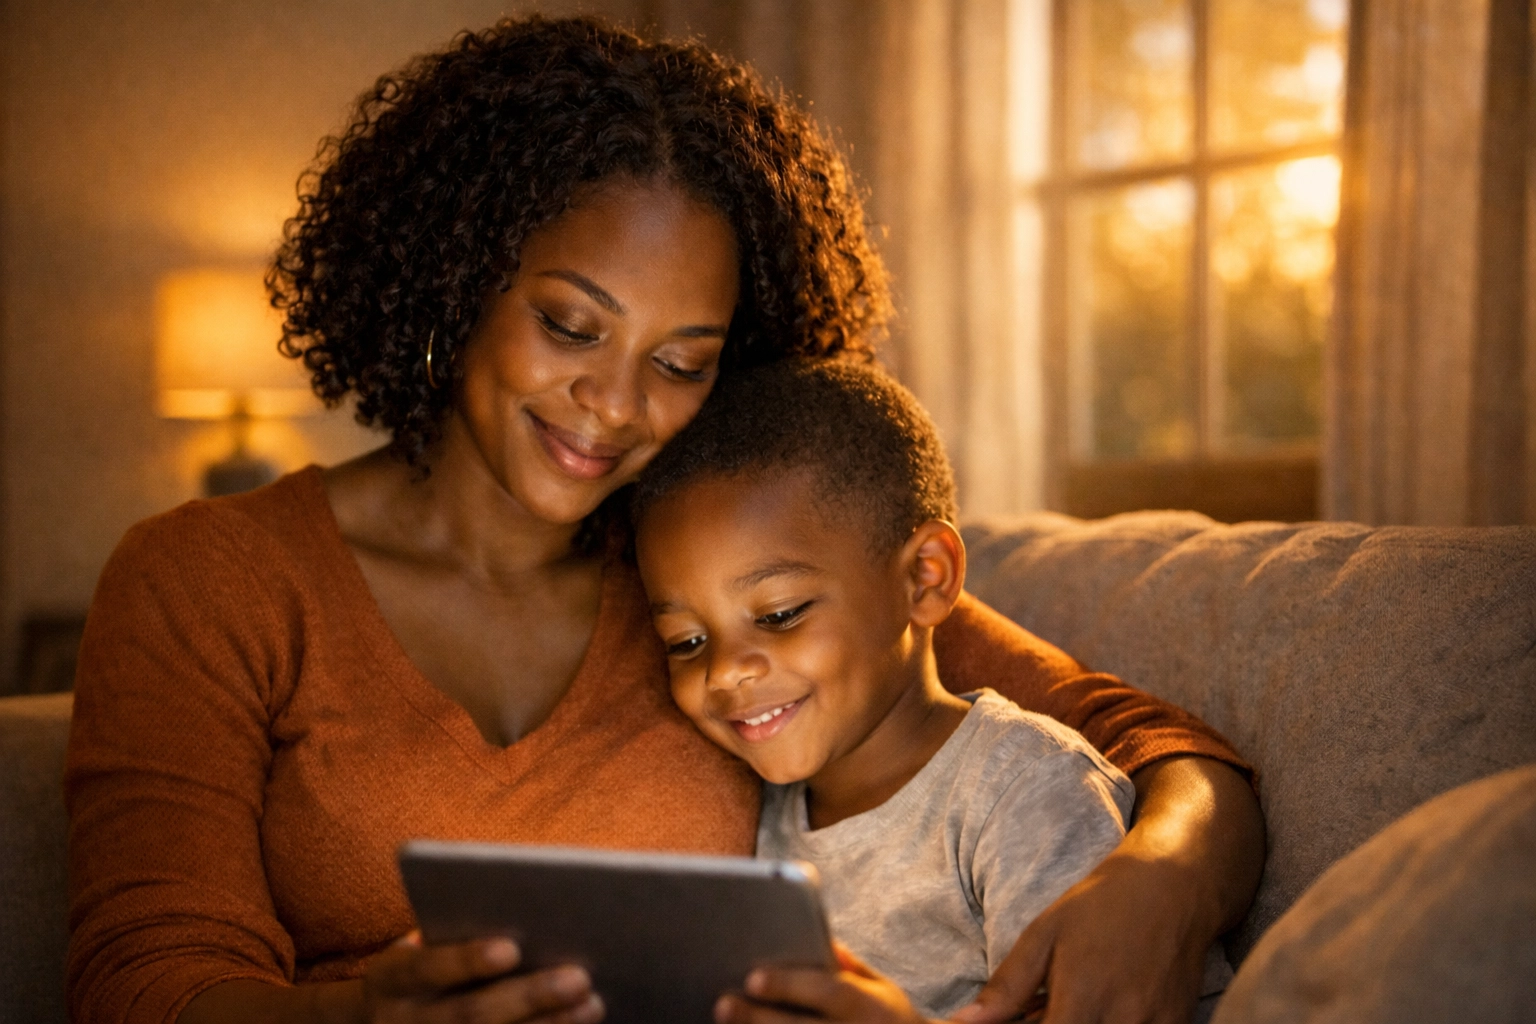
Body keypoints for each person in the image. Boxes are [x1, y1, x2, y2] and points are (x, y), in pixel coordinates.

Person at [64, 15, 1263, 1024]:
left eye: (682, 361)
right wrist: (365, 1013)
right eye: (571, 327)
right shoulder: (209, 579)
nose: (619, 406)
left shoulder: (720, 573)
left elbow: (1134, 740)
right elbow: (144, 981)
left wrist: (1166, 871)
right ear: (455, 277)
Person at [632, 359, 1142, 1021]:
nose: (725, 671)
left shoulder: (1027, 793)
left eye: (780, 614)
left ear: (925, 579)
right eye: (686, 642)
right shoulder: (752, 818)